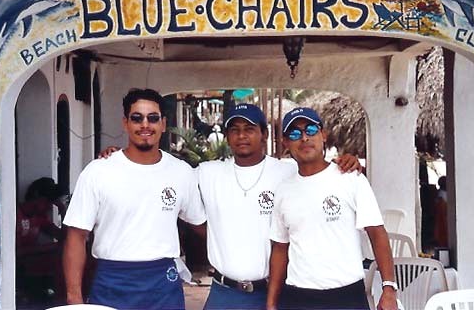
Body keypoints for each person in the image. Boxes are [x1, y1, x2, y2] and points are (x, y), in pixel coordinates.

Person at [99, 103, 361, 309]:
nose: (242, 136)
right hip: (225, 294)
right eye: (234, 130)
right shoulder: (207, 173)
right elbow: (163, 172)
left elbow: (320, 172)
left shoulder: (288, 172)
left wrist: (347, 162)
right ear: (227, 136)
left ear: (264, 133)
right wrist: (119, 157)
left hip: (276, 291)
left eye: (249, 129)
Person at [62, 88, 206, 309]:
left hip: (162, 283)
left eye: (153, 118)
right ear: (125, 123)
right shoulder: (99, 172)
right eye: (137, 118)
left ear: (164, 124)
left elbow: (200, 224)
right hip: (112, 281)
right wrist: (74, 300)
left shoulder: (181, 172)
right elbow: (76, 236)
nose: (145, 125)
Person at [267, 107, 398, 310]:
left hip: (347, 296)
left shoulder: (350, 178)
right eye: (294, 134)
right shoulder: (283, 191)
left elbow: (377, 233)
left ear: (323, 135)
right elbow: (280, 249)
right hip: (298, 297)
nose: (304, 138)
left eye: (310, 130)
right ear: (285, 143)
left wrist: (389, 288)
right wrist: (271, 303)